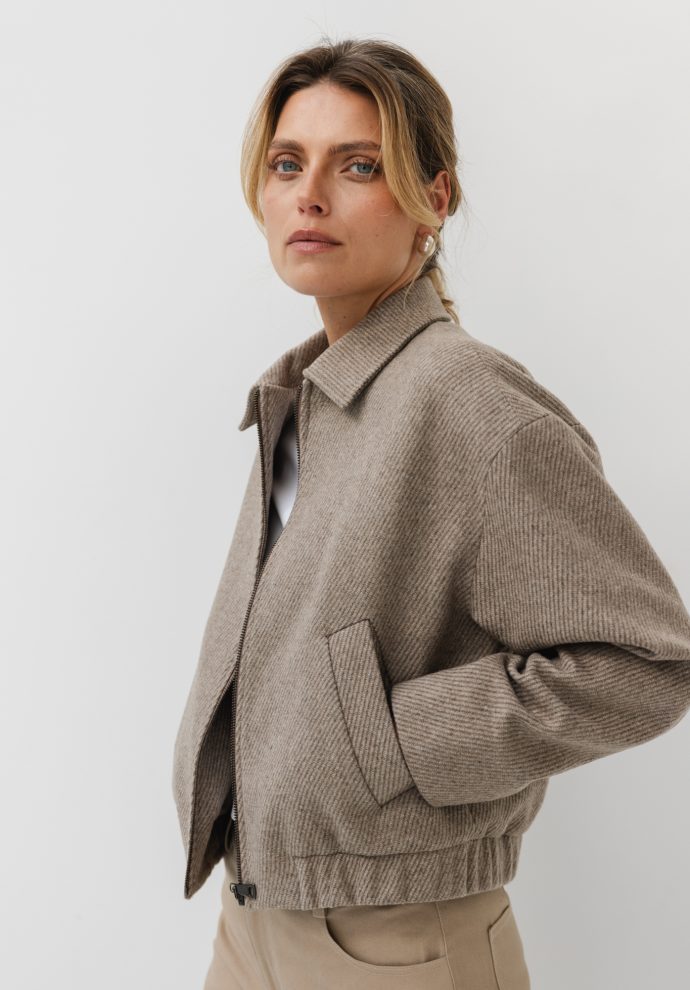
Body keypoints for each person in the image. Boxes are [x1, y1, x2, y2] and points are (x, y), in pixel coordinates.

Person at [171, 37, 690, 990]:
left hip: (396, 943)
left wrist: (397, 740)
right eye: (287, 164)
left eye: (357, 166)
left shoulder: (465, 400)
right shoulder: (309, 399)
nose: (308, 195)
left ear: (433, 199)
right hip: (251, 927)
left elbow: (648, 662)